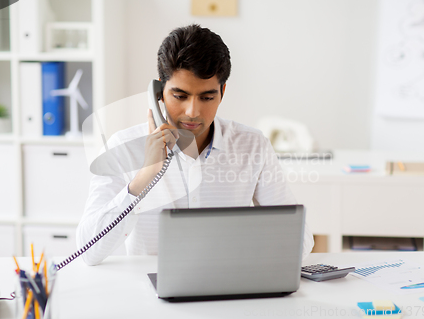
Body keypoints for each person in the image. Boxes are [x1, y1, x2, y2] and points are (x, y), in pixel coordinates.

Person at [77, 24, 314, 265]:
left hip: (229, 290)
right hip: (150, 297)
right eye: (180, 96)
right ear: (158, 91)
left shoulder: (252, 146)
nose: (192, 111)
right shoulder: (123, 147)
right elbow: (88, 251)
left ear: (222, 91)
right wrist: (145, 175)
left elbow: (300, 240)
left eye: (207, 97)